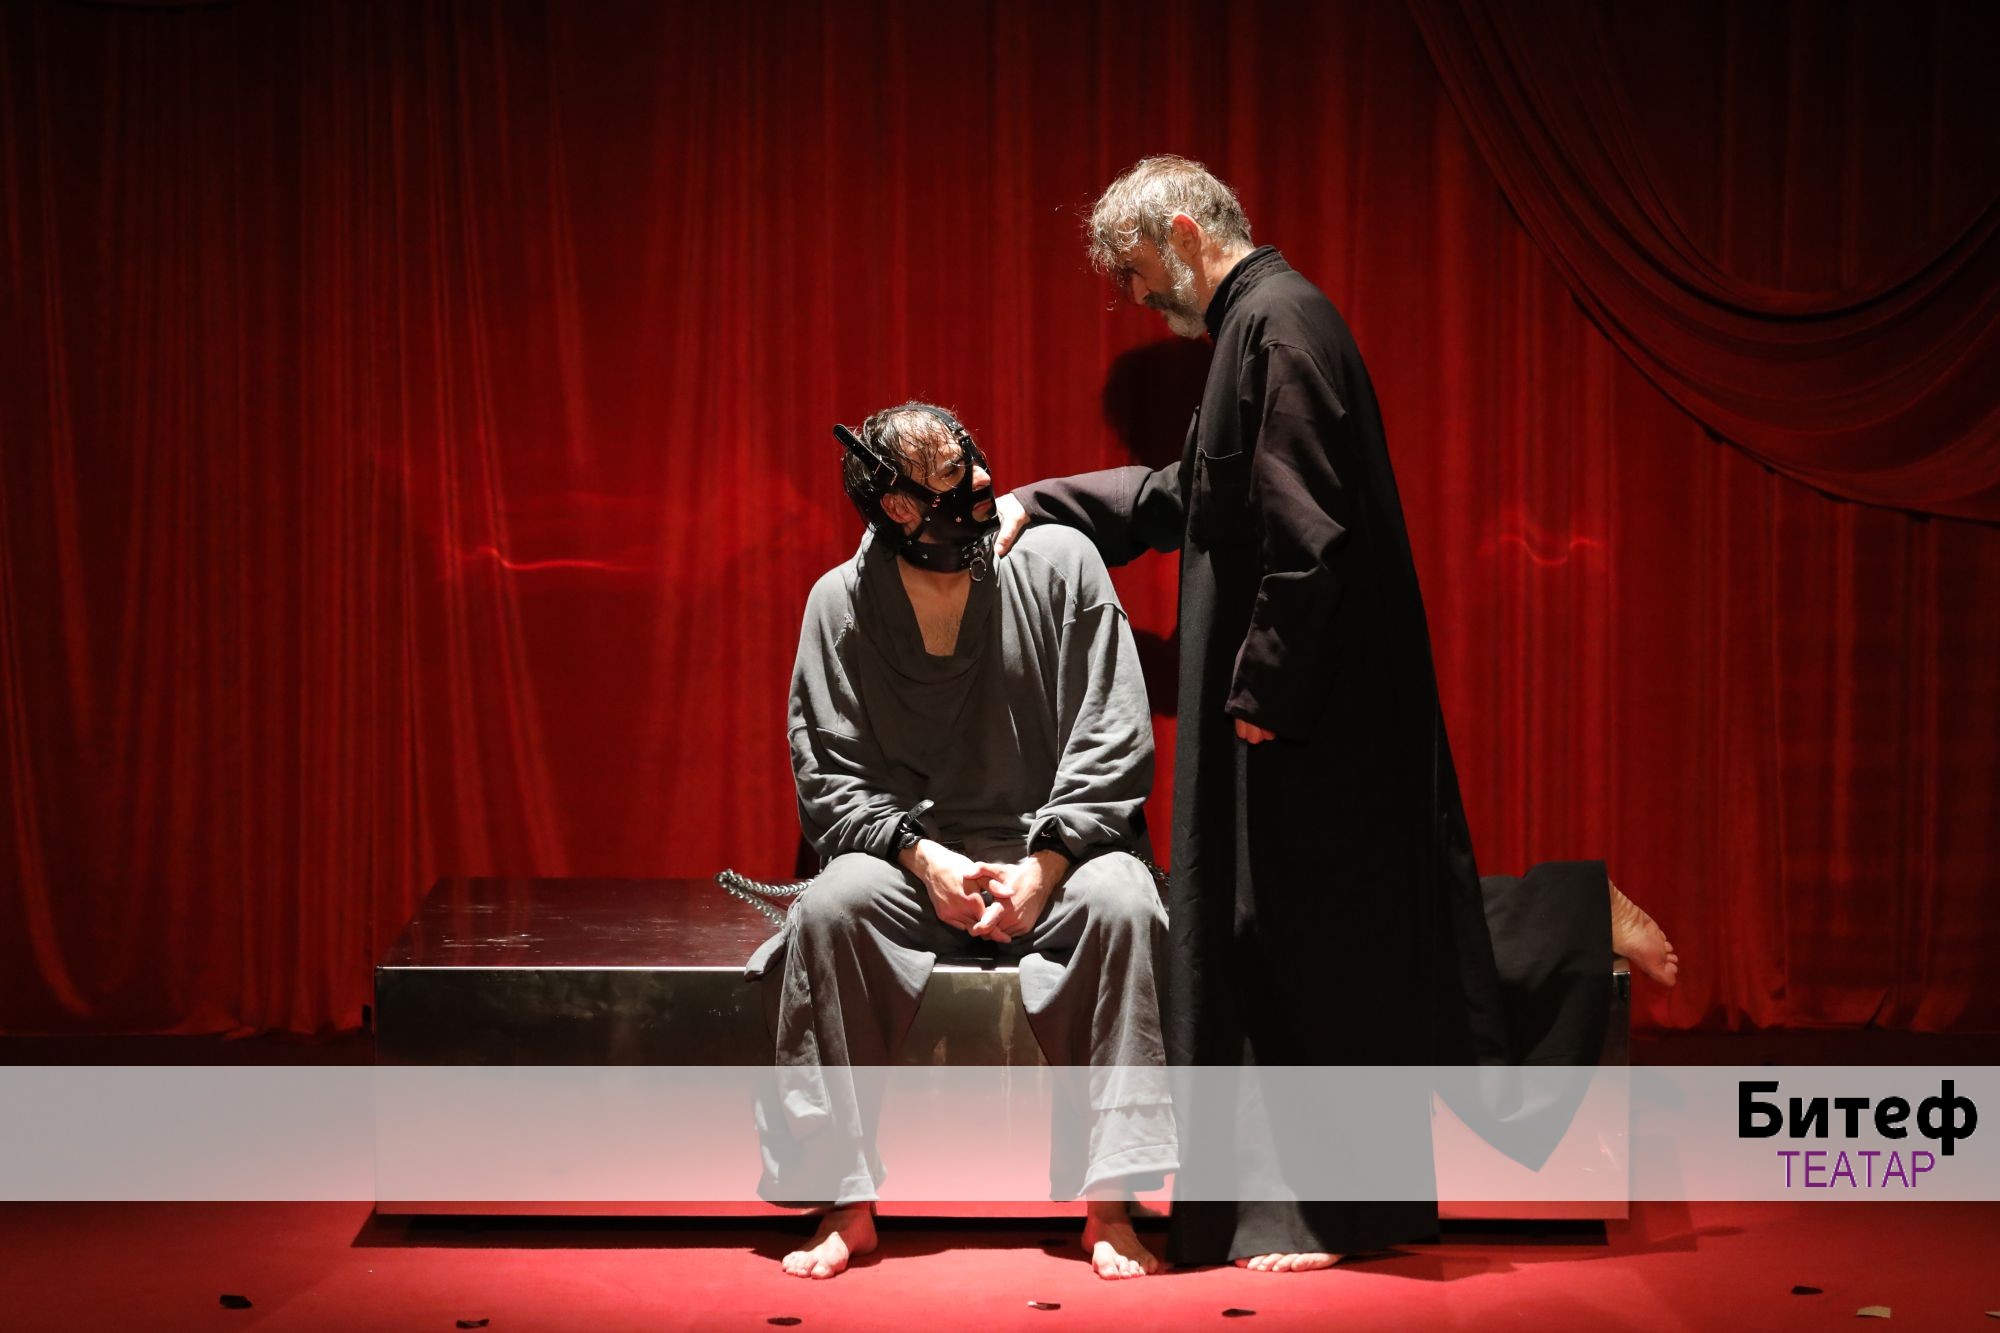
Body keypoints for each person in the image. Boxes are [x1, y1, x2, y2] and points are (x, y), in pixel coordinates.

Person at [992, 155, 1676, 1272]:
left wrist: (1268, 690)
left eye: (1134, 268)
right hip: (1292, 704)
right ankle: (1313, 1192)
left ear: (1182, 228)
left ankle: (1337, 1203)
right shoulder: (1254, 329)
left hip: (1308, 711)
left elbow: (1309, 534)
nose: (1134, 295)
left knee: (1334, 947)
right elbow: (1192, 495)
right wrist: (1042, 503)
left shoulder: (1279, 324)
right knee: (1308, 936)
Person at [748, 401, 1176, 1281]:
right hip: (914, 866)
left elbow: (1113, 736)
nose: (983, 480)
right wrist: (923, 857)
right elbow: (829, 777)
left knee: (1125, 900)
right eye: (955, 474)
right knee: (832, 906)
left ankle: (1110, 1205)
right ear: (899, 506)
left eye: (974, 457)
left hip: (1055, 855)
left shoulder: (1061, 563)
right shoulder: (840, 603)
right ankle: (845, 1202)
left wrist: (1045, 867)